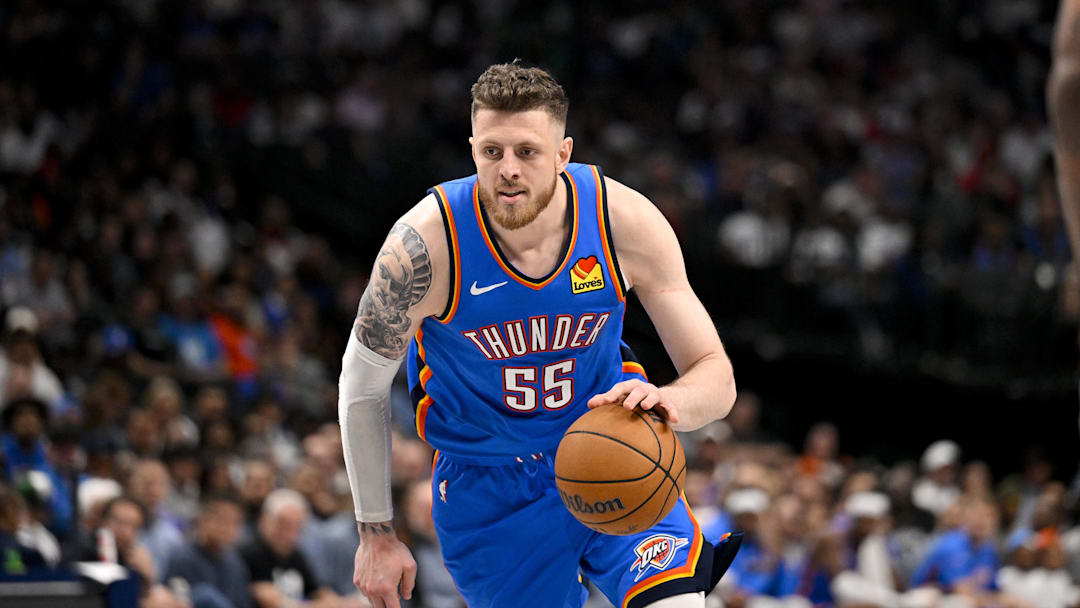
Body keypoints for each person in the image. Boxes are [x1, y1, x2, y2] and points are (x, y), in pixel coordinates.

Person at [339, 62, 740, 608]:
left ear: (562, 154)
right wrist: (375, 533)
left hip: (614, 449)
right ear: (473, 149)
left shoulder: (623, 221)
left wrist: (672, 402)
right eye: (492, 151)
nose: (508, 170)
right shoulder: (423, 248)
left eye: (527, 151)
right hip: (489, 486)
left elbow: (715, 374)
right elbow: (361, 388)